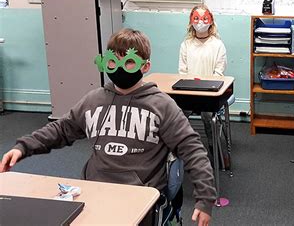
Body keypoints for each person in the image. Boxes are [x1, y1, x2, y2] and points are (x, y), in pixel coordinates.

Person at [0, 28, 216, 225]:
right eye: (114, 60)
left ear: (145, 66)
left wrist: (204, 199)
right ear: (105, 62)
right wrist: (23, 147)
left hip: (138, 194)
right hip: (94, 189)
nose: (120, 67)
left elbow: (192, 149)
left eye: (129, 61)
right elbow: (62, 128)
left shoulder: (162, 105)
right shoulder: (94, 100)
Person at [178, 4, 227, 150]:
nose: (200, 22)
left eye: (204, 18)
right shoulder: (186, 45)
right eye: (196, 18)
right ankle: (180, 146)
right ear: (191, 21)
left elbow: (219, 72)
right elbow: (182, 71)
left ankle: (213, 146)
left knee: (207, 114)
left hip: (210, 92)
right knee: (177, 113)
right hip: (189, 91)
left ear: (211, 21)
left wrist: (206, 90)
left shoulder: (218, 45)